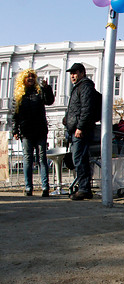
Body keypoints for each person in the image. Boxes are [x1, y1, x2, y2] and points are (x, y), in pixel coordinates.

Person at [11, 69, 55, 197]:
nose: (30, 78)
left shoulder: (39, 91)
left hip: (40, 129)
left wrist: (47, 88)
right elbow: (15, 115)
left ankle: (45, 187)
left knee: (42, 158)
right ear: (23, 79)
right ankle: (28, 187)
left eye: (32, 76)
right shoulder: (19, 96)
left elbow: (49, 101)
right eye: (27, 76)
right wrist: (15, 130)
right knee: (27, 158)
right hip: (26, 131)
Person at [64, 63, 97, 200]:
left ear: (82, 73)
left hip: (80, 130)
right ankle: (84, 188)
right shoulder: (79, 87)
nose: (72, 75)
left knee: (79, 158)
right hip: (75, 128)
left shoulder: (85, 87)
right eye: (71, 73)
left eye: (75, 72)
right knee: (78, 159)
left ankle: (84, 188)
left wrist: (80, 127)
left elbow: (86, 108)